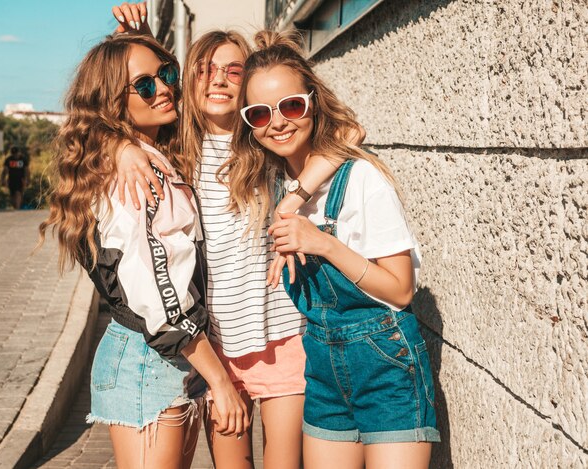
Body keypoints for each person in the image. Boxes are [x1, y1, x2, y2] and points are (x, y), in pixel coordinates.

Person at [108, 4, 362, 468]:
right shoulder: (177, 151)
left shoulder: (267, 140)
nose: (218, 79)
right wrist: (123, 147)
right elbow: (118, 114)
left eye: (232, 70)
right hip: (216, 348)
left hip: (283, 336)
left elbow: (348, 132)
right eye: (204, 70)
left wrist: (291, 198)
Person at [225, 30, 440, 469]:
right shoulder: (276, 184)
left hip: (387, 367)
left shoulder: (361, 179)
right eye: (259, 114)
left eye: (290, 105)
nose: (278, 122)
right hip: (322, 370)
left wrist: (321, 242)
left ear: (312, 102)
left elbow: (400, 291)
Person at [38, 32, 249, 469]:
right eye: (146, 85)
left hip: (163, 357)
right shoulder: (139, 177)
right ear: (113, 101)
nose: (166, 88)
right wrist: (220, 382)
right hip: (149, 360)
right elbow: (160, 298)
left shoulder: (143, 157)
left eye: (166, 75)